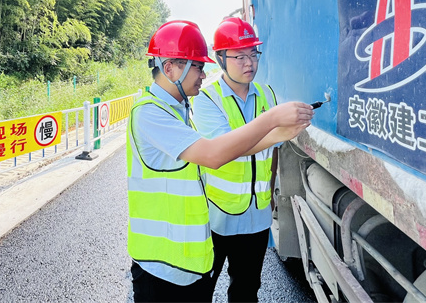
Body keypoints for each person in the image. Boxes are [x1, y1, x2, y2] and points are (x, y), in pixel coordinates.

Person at [127, 19, 313, 302]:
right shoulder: (151, 113)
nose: (203, 74)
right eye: (197, 67)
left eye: (253, 54)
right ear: (170, 68)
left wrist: (277, 138)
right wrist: (272, 120)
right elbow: (214, 154)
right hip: (163, 262)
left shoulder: (177, 109)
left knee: (246, 290)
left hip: (188, 253)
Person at [191, 16, 286, 302]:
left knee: (246, 291)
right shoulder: (207, 100)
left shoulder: (267, 94)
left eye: (253, 54)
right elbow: (223, 150)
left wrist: (270, 192)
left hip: (256, 217)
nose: (249, 63)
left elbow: (274, 150)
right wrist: (274, 126)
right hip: (217, 216)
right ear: (220, 58)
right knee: (200, 290)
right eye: (240, 56)